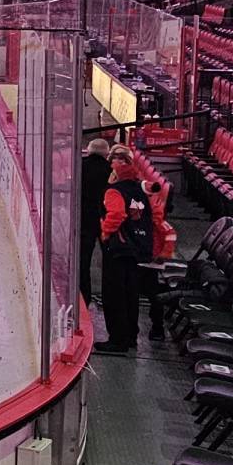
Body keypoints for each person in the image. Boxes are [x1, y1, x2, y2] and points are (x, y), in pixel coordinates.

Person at [97, 146, 154, 353]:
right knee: (131, 293)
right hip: (137, 248)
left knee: (114, 294)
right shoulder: (139, 189)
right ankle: (130, 335)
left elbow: (117, 214)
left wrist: (105, 232)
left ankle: (117, 339)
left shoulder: (114, 190)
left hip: (118, 248)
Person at [79, 137, 111, 305]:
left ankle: (85, 298)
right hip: (106, 221)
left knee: (84, 262)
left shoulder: (80, 166)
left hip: (84, 220)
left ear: (89, 151)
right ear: (107, 154)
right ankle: (109, 298)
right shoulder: (111, 170)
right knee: (109, 263)